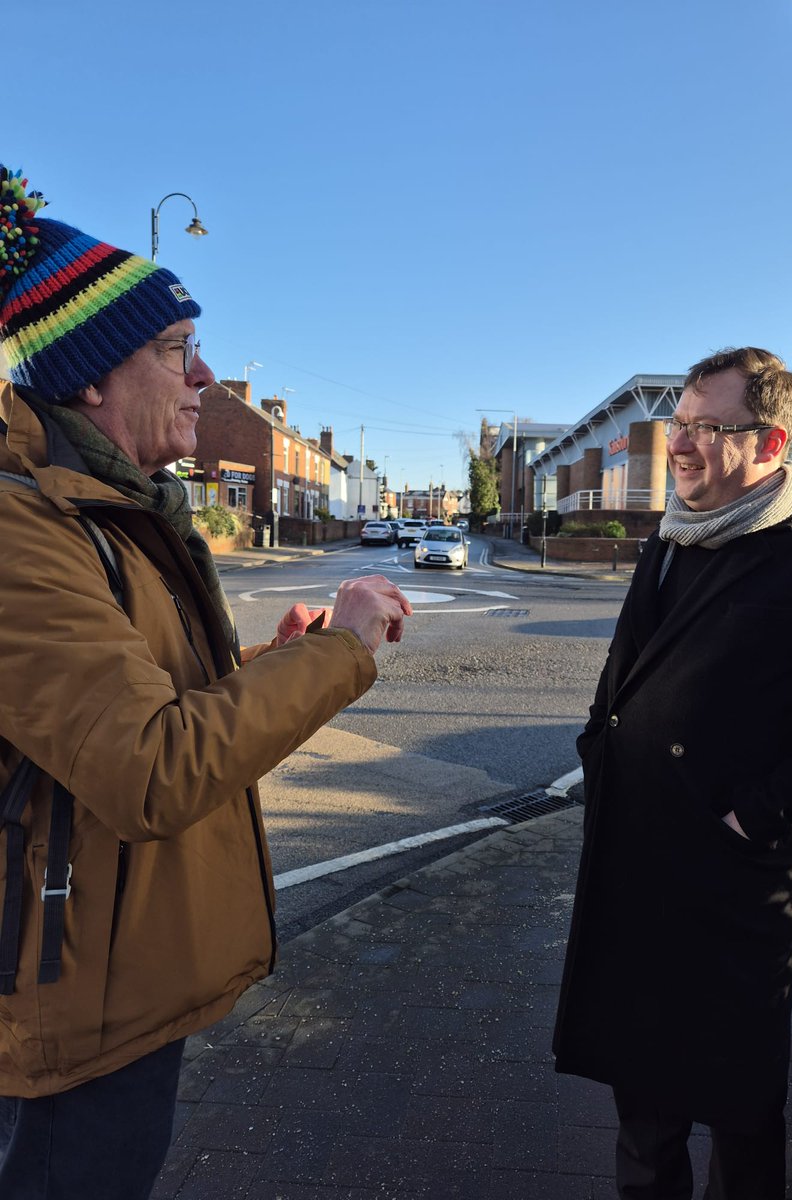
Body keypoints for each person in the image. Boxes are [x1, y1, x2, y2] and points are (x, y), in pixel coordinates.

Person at [0, 165, 412, 1199]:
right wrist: (340, 652)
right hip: (67, 1002)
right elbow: (151, 769)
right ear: (90, 379)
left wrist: (282, 663)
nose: (206, 376)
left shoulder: (110, 508)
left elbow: (143, 709)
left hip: (115, 975)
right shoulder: (24, 529)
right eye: (178, 349)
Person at [553, 347, 792, 1200]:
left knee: (740, 1115)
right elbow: (624, 683)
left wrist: (757, 815)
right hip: (634, 864)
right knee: (642, 1106)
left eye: (708, 428)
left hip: (732, 879)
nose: (680, 444)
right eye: (680, 423)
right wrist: (599, 749)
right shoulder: (670, 539)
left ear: (771, 442)